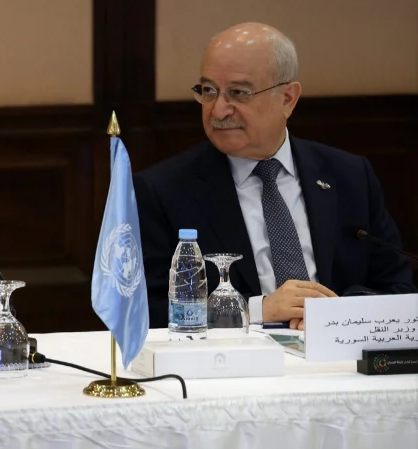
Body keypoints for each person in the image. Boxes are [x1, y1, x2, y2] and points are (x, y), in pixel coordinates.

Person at [135, 22, 414, 330]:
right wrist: (256, 310)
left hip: (338, 351)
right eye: (208, 91)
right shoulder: (163, 190)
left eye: (238, 93)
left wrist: (334, 313)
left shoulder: (349, 176)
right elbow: (145, 310)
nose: (218, 111)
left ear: (287, 99)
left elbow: (398, 288)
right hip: (233, 357)